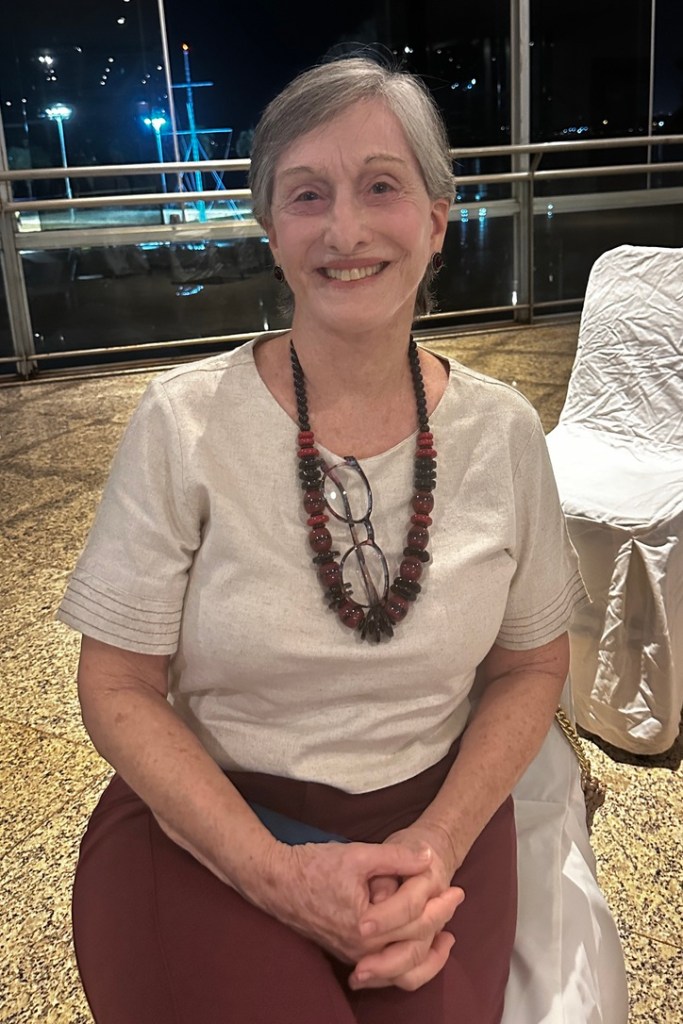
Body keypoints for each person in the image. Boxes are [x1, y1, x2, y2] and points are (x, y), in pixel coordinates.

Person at [58, 57, 588, 1024]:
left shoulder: (503, 432)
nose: (344, 229)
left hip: (435, 828)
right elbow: (118, 686)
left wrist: (436, 842)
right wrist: (275, 874)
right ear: (271, 227)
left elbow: (531, 665)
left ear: (437, 218)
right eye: (307, 195)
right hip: (213, 823)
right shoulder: (183, 422)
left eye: (381, 186)